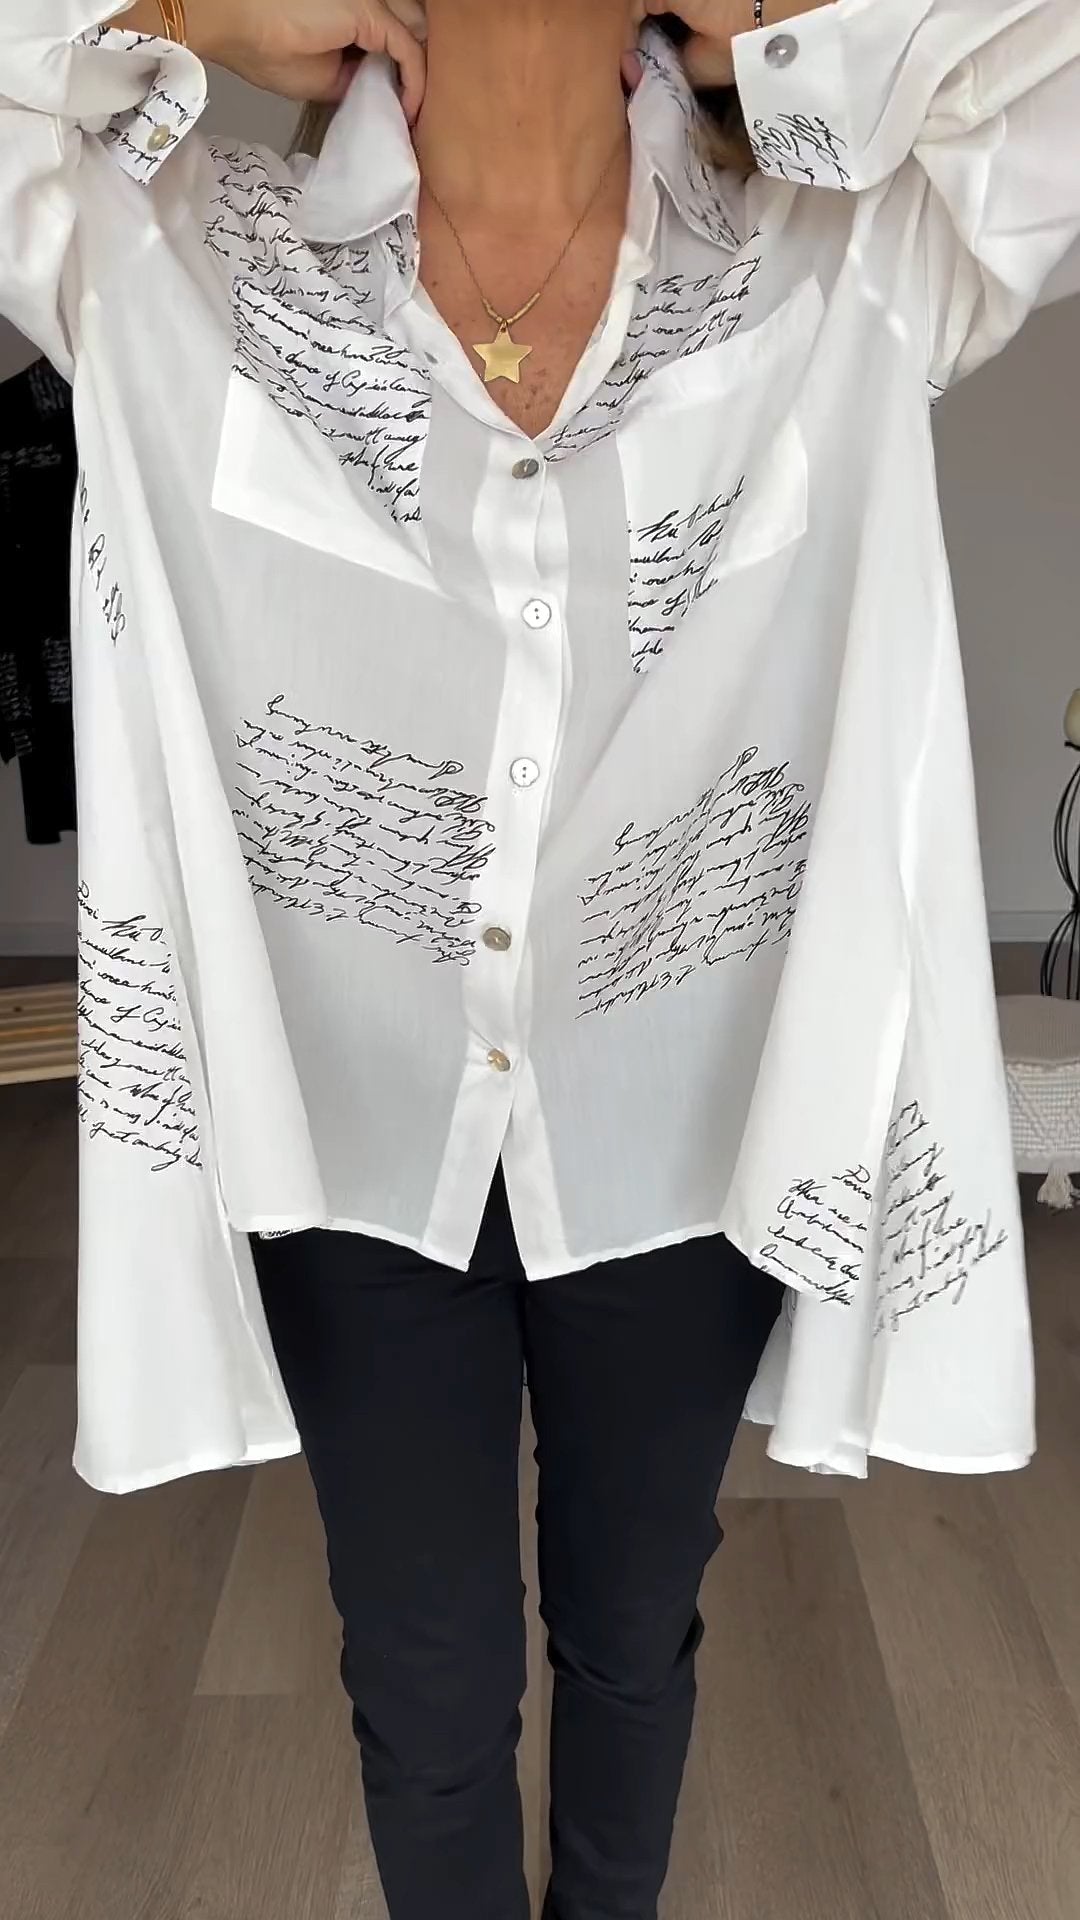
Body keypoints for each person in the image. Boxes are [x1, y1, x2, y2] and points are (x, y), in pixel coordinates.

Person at [2, 1, 1079, 1915]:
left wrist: (788, 28)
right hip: (352, 1123)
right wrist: (178, 16)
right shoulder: (172, 252)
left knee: (634, 1633)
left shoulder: (835, 266)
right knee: (423, 1682)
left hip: (674, 1113)